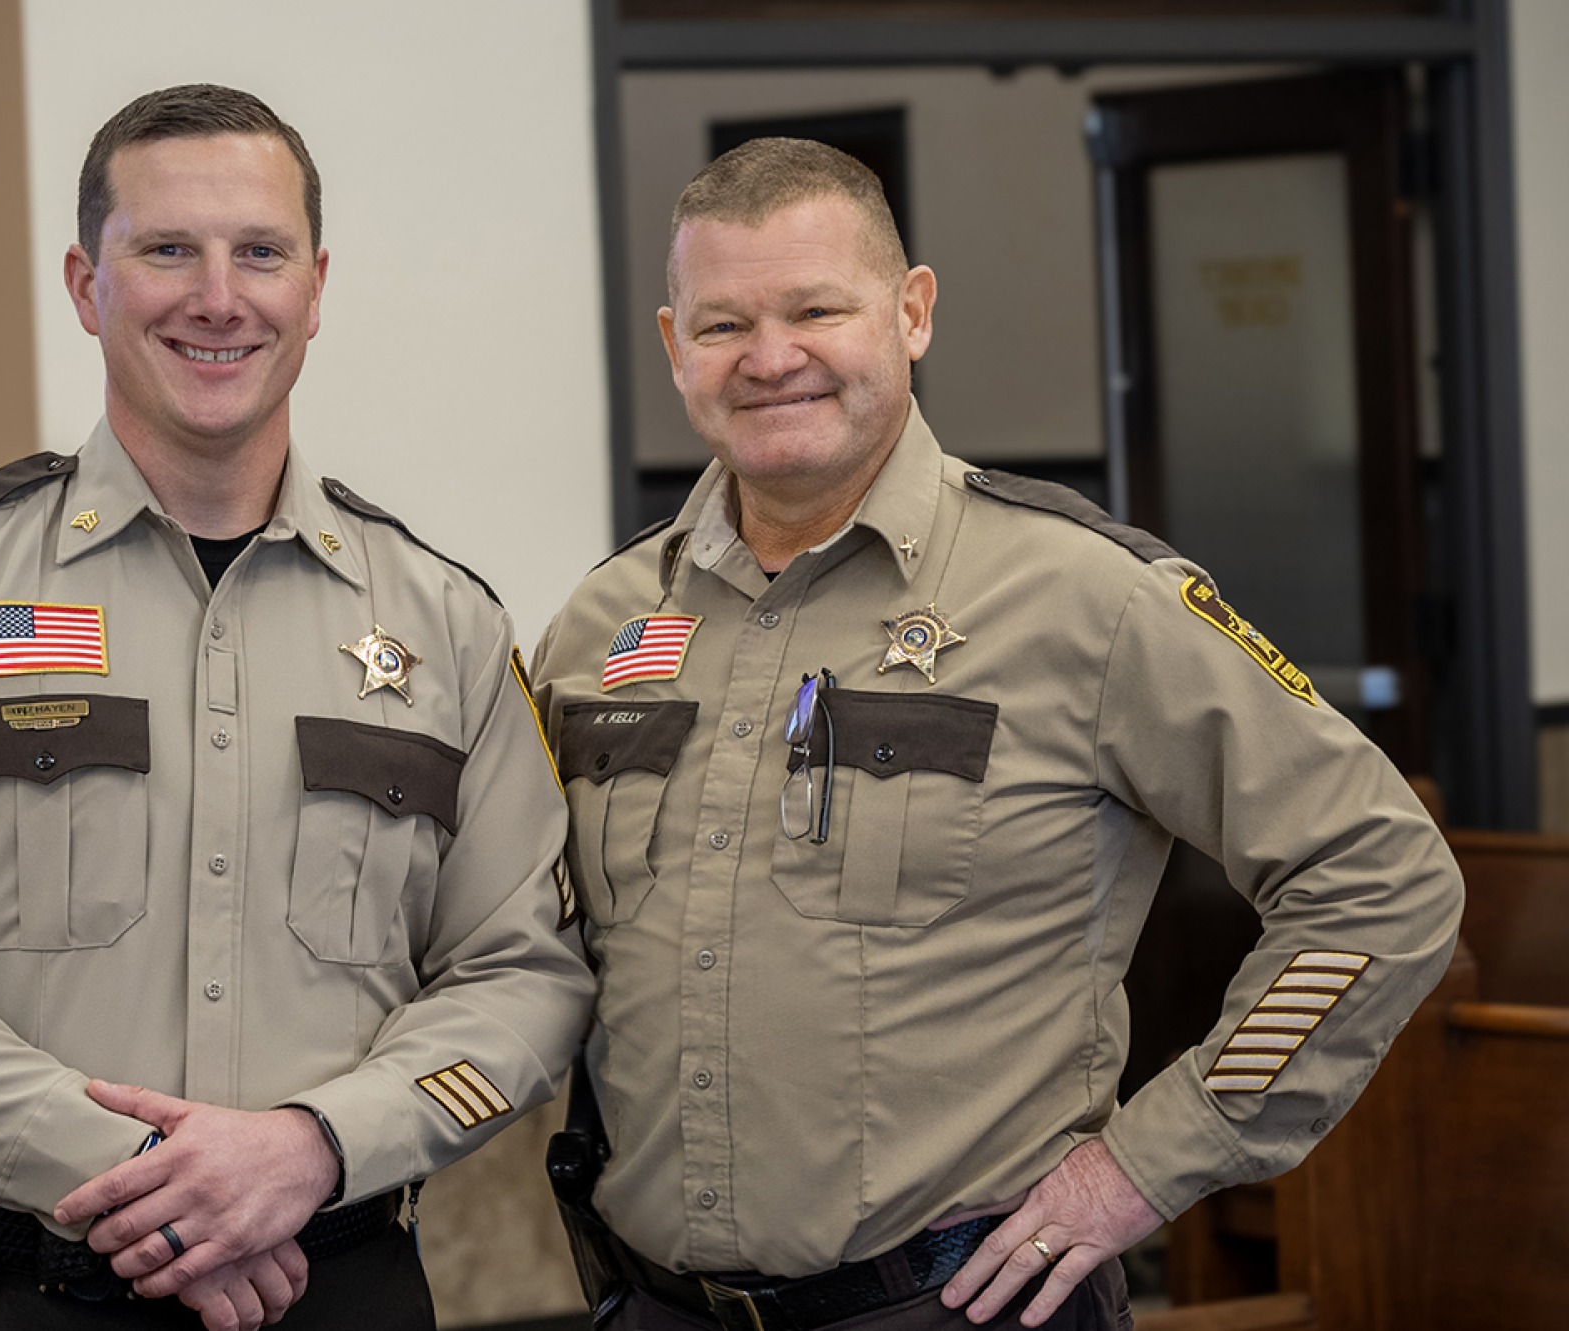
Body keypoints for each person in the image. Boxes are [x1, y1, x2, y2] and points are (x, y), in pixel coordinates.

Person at [527, 137, 1463, 1331]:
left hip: (962, 1301)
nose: (769, 357)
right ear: (673, 346)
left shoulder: (1085, 595)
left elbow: (1381, 873)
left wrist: (1146, 1164)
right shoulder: (602, 620)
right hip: (655, 1304)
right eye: (722, 325)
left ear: (910, 313)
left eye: (815, 309)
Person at [0, 84, 593, 1331]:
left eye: (259, 252)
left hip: (331, 1285)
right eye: (166, 251)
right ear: (86, 285)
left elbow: (523, 972)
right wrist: (127, 1171)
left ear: (315, 287)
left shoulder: (449, 625)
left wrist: (313, 1144)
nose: (217, 296)